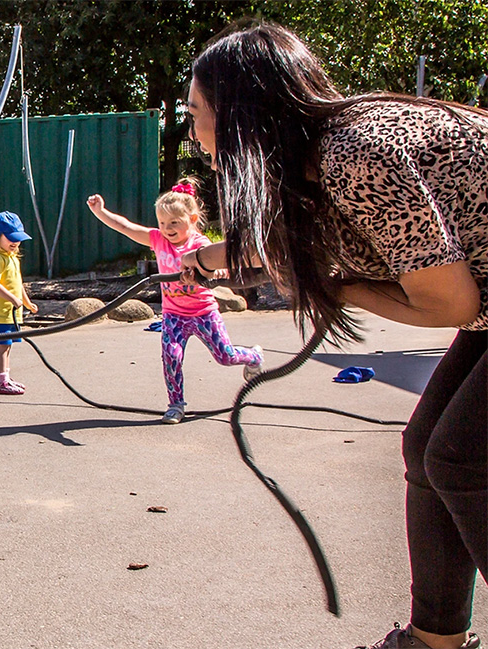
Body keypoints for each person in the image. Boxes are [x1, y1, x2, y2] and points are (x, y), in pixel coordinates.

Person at [179, 21, 486, 649]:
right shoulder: (313, 159)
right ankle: (433, 640)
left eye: (196, 113)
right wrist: (212, 259)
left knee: (459, 457)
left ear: (241, 113)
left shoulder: (358, 156)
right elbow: (303, 247)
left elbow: (449, 302)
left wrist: (338, 289)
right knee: (430, 445)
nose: (192, 131)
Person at [87, 180, 263, 424]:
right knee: (172, 356)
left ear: (191, 220)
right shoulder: (159, 240)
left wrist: (216, 273)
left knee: (225, 356)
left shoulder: (199, 244)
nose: (166, 228)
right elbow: (127, 227)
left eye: (174, 223)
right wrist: (100, 212)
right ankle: (176, 404)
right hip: (173, 315)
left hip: (203, 312)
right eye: (162, 223)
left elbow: (217, 266)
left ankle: (253, 356)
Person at [0, 211, 38, 395]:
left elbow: (18, 284)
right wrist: (12, 299)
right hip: (0, 312)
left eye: (18, 238)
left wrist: (27, 302)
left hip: (12, 313)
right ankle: (1, 381)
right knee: (2, 347)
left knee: (8, 345)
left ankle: (6, 376)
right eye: (11, 238)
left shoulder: (12, 258)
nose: (15, 242)